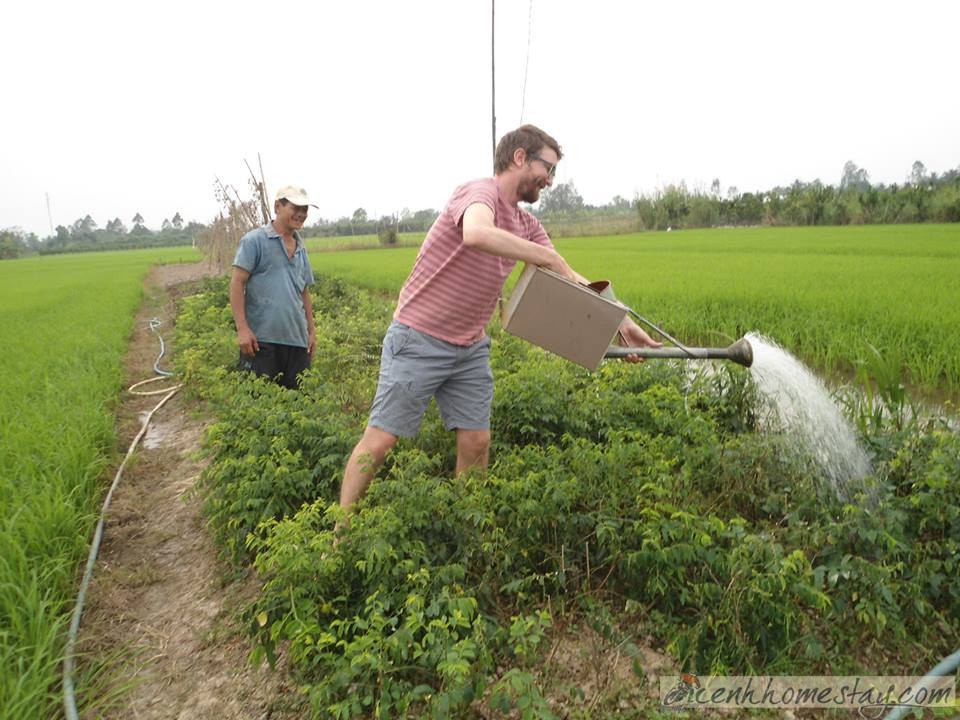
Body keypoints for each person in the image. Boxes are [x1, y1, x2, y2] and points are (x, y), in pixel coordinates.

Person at [338, 124, 661, 511]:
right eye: (548, 168)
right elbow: (476, 233)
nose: (551, 181)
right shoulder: (479, 193)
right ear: (520, 157)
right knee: (382, 440)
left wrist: (619, 321)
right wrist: (544, 256)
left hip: (470, 347)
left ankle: (467, 528)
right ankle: (341, 536)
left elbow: (570, 276)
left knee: (477, 442)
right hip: (419, 337)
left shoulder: (527, 225)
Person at [230, 185, 317, 390]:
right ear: (278, 206)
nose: (301, 214)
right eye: (295, 207)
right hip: (261, 343)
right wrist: (242, 329)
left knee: (298, 406)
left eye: (305, 209)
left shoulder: (301, 247)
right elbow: (237, 283)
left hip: (297, 342)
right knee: (260, 406)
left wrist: (311, 332)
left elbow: (303, 292)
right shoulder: (254, 241)